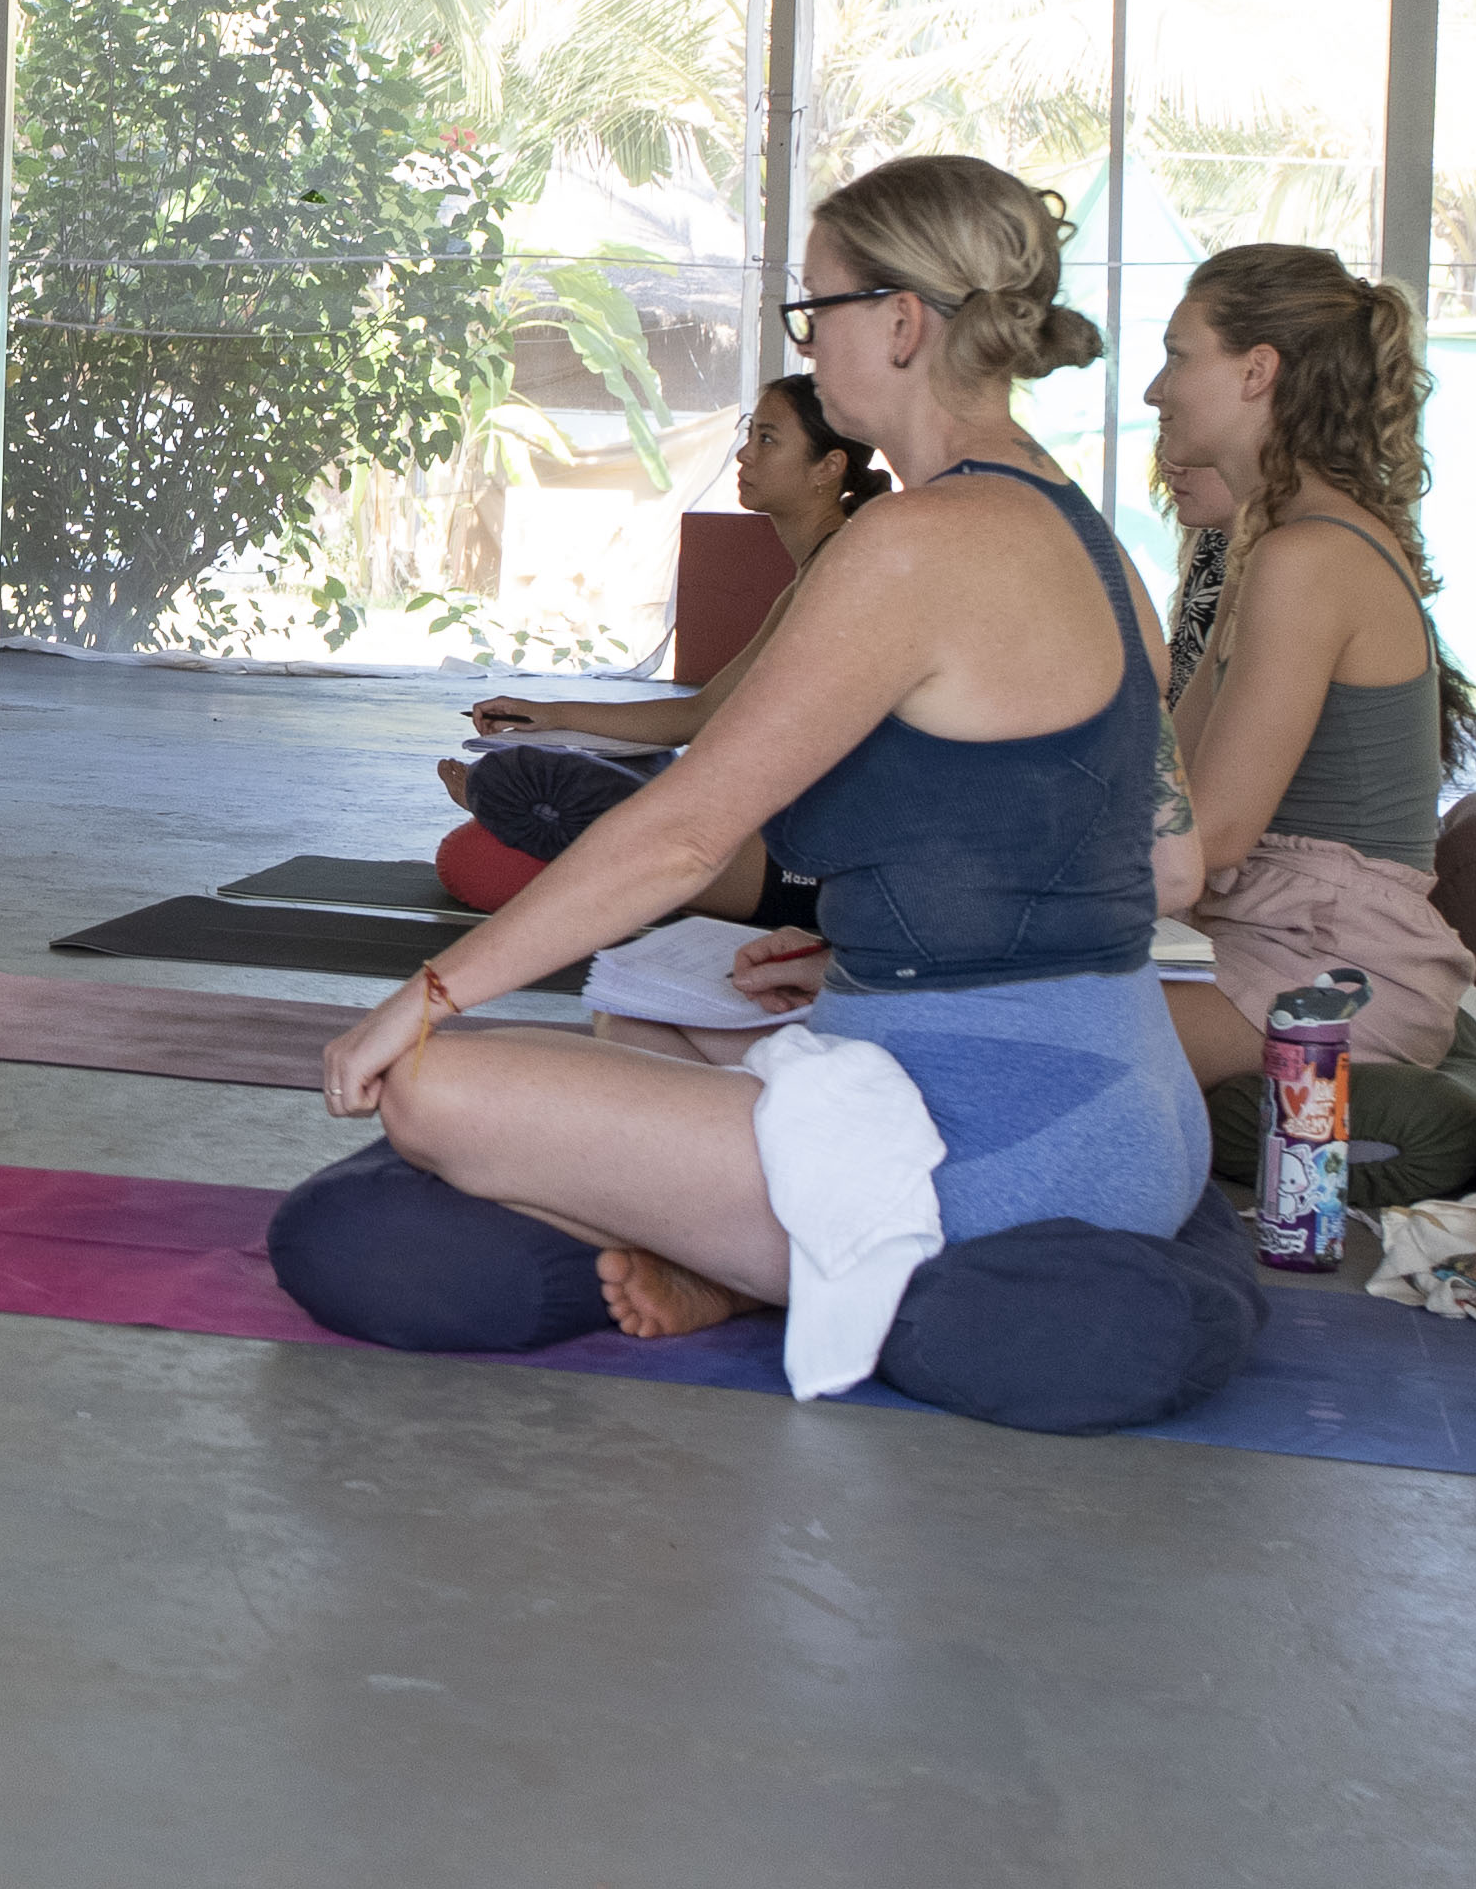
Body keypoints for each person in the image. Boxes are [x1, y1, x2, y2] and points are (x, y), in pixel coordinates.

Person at [275, 155, 1208, 1345]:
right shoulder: (1097, 544)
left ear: (904, 321)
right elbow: (1165, 872)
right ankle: (749, 1258)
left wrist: (423, 995)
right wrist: (893, 934)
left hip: (986, 1148)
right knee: (654, 1016)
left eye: (815, 312)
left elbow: (680, 834)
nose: (808, 346)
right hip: (1133, 1117)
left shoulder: (914, 542)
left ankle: (784, 1268)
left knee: (428, 1089)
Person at [1138, 242, 1476, 1089]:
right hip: (1269, 942)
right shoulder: (1264, 544)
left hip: (1335, 974)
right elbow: (1168, 781)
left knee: (989, 1028)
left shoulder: (1308, 555)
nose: (1157, 388)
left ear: (1258, 371)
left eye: (1178, 357)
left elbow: (1205, 836)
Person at [436, 373, 887, 900]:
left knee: (510, 791)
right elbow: (697, 716)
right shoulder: (820, 570)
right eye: (749, 433)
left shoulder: (847, 570)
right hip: (783, 829)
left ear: (828, 468)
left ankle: (524, 810)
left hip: (824, 863)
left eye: (767, 439)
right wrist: (550, 714)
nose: (744, 455)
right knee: (623, 765)